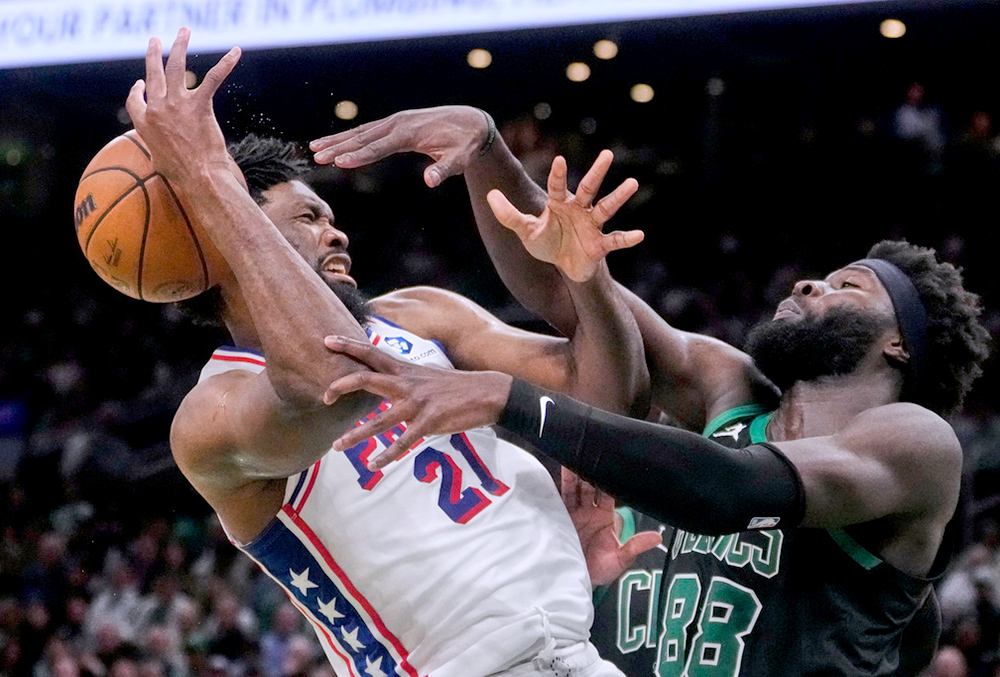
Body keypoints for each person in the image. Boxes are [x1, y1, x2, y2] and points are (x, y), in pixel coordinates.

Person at [310, 106, 991, 675]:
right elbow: (570, 290)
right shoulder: (728, 383)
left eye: (849, 286)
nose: (809, 283)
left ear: (899, 344)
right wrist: (488, 151)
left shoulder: (916, 443)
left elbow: (731, 488)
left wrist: (510, 399)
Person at [123, 29, 660, 677]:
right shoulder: (213, 414)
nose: (337, 232)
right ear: (230, 235)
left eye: (330, 216)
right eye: (308, 219)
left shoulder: (417, 314)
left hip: (576, 654)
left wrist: (586, 279)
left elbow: (607, 403)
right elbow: (334, 380)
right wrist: (208, 175)